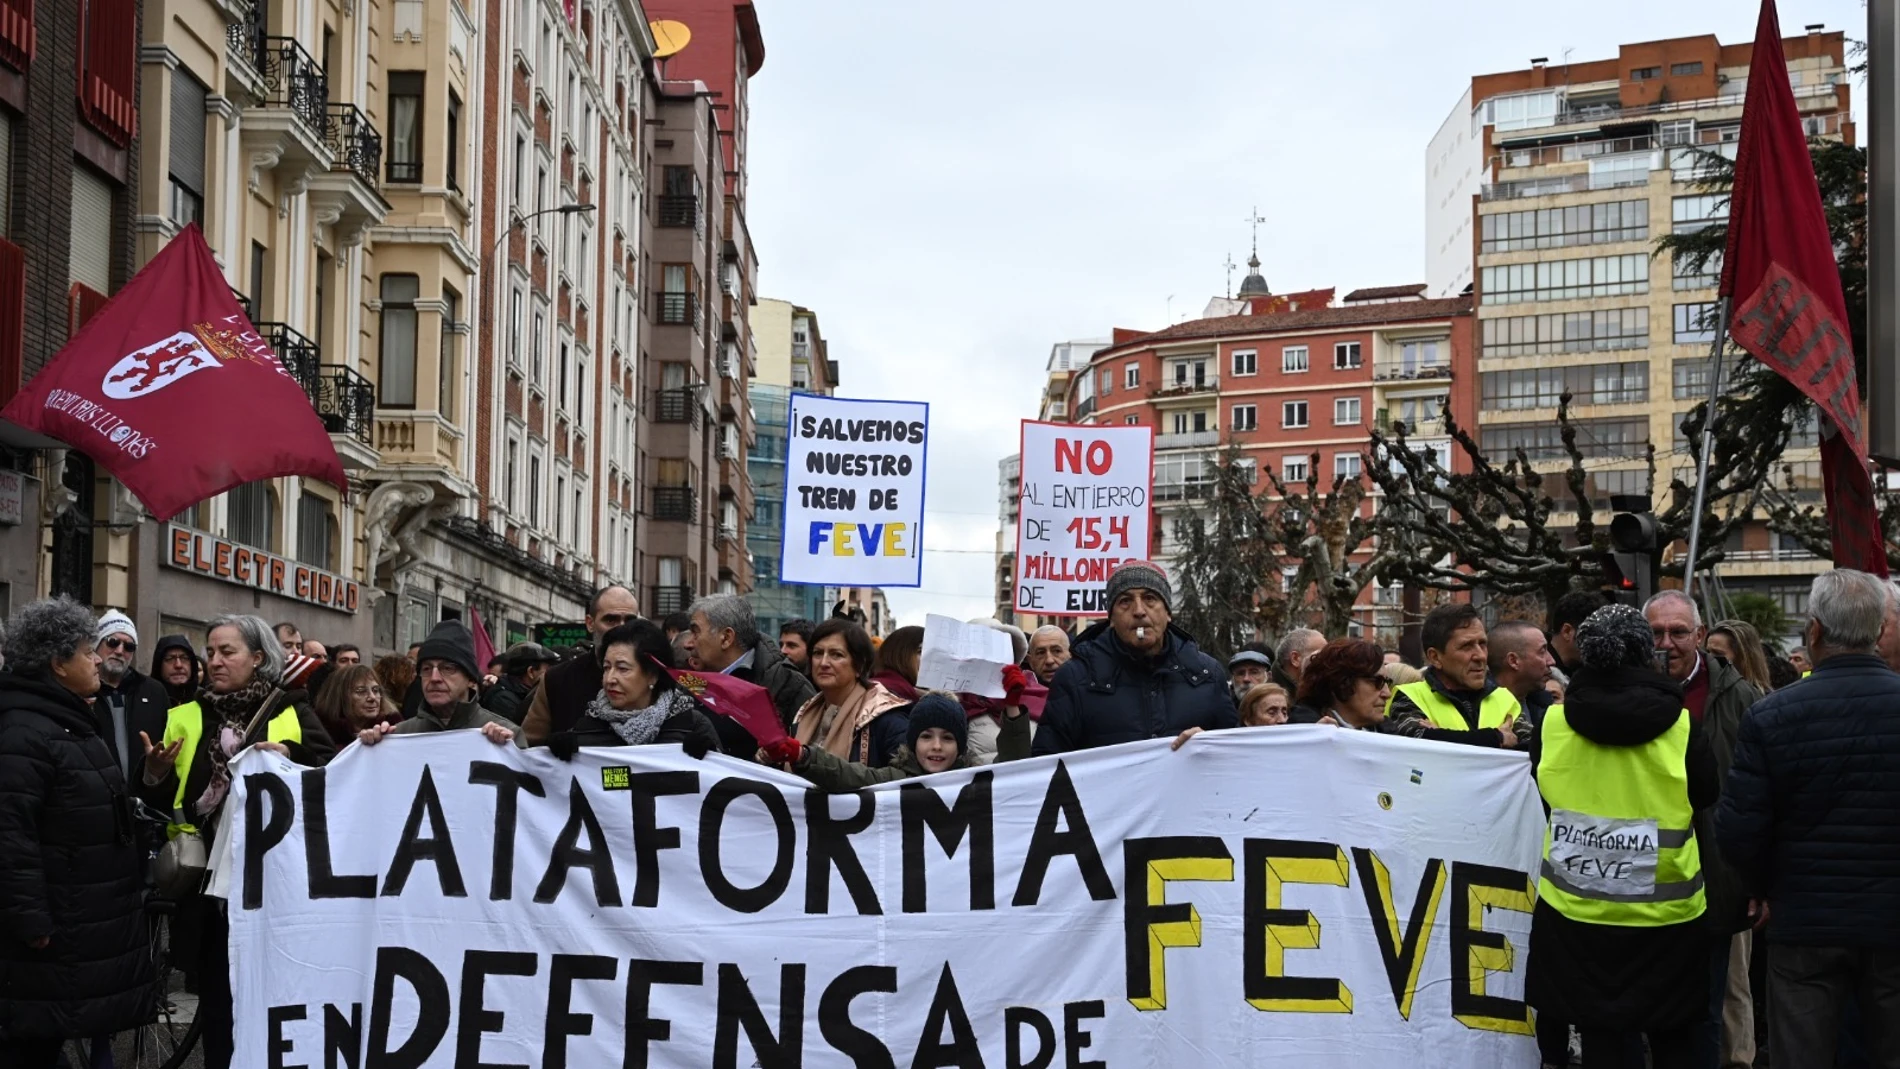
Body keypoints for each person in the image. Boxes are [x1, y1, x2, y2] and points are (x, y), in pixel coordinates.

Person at [1717, 570, 1900, 1069]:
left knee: (1801, 1052)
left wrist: (1758, 886)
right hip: (1892, 920)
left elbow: (1740, 825)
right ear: (1879, 629)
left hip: (1805, 921)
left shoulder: (1773, 715)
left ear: (1814, 630)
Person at [139, 613, 334, 1069]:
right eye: (211, 652)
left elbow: (330, 773)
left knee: (270, 997)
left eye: (228, 652)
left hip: (273, 889)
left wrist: (294, 755)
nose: (215, 661)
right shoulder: (185, 715)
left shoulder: (292, 711)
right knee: (217, 1003)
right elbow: (155, 796)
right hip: (206, 890)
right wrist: (154, 773)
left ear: (259, 658)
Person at [1527, 603, 1717, 1069]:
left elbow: (1544, 790)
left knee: (1601, 1040)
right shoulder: (1681, 726)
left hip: (1577, 912)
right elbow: (1707, 793)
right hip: (1667, 915)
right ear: (1645, 652)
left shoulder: (1552, 724)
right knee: (1675, 1038)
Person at [0, 598, 157, 1068]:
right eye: (88, 650)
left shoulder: (67, 721)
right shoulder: (25, 731)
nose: (97, 659)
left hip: (79, 921)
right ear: (57, 663)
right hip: (50, 933)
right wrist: (31, 920)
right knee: (31, 1046)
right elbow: (10, 832)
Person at [1644, 589, 1762, 1069]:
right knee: (1653, 1007)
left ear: (1698, 634)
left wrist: (1755, 876)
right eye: (1656, 633)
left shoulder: (1740, 697)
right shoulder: (1631, 692)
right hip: (1645, 878)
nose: (1667, 643)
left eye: (1677, 632)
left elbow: (1755, 793)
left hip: (1716, 874)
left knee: (1712, 1006)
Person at [1033, 561, 1235, 755]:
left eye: (1150, 599)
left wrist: (1209, 744)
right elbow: (1047, 763)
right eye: (1125, 601)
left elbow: (1237, 755)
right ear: (1111, 618)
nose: (1139, 611)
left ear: (1168, 613)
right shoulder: (1075, 678)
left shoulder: (1207, 674)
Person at [544, 620, 721, 757]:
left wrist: (709, 757)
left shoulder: (691, 725)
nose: (610, 679)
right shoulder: (586, 727)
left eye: (622, 669)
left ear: (653, 674)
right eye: (606, 667)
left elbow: (724, 786)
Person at [681, 594, 818, 752]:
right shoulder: (689, 681)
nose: (687, 643)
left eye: (695, 632)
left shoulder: (788, 684)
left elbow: (807, 758)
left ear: (726, 638)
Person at [358, 620, 523, 749]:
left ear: (471, 679)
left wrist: (509, 750)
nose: (434, 678)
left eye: (448, 668)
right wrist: (370, 748)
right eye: (427, 668)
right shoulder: (400, 736)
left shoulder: (506, 736)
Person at [768, 693, 987, 789]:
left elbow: (1016, 778)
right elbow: (849, 776)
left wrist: (1014, 714)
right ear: (912, 742)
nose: (936, 746)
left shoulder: (977, 783)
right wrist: (804, 756)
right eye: (926, 736)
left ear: (960, 746)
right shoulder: (893, 780)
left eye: (947, 738)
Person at [1386, 603, 1531, 749]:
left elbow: (1535, 751)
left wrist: (1441, 737)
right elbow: (1416, 742)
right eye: (1466, 646)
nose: (1480, 656)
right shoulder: (1408, 698)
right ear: (1435, 657)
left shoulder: (1505, 699)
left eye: (1482, 644)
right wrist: (1496, 738)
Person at [520, 584, 641, 745]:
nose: (621, 628)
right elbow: (528, 746)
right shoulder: (557, 680)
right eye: (611, 620)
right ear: (590, 623)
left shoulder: (657, 679)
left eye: (629, 620)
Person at [787, 619, 909, 767]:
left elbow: (903, 778)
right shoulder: (805, 712)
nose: (824, 663)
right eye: (818, 653)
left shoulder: (886, 716)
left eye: (836, 655)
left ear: (860, 665)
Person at [91, 609, 171, 785]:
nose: (120, 651)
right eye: (113, 642)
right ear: (96, 645)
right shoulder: (82, 690)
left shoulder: (154, 692)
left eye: (129, 646)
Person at [1300, 639, 1392, 730]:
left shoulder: (1390, 735)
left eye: (1386, 682)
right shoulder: (1301, 732)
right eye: (1376, 681)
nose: (1387, 694)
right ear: (1342, 682)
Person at [1489, 619, 1556, 726]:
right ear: (1513, 661)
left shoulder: (1543, 708)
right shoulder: (1477, 712)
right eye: (1542, 652)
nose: (1552, 661)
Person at [311, 663, 399, 745]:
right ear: (341, 696)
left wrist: (389, 737)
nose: (372, 697)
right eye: (361, 691)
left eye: (376, 690)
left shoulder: (393, 725)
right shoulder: (320, 732)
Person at [481, 642, 559, 723]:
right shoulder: (503, 700)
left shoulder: (524, 694)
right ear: (531, 672)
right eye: (548, 669)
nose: (551, 674)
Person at [1549, 590, 1607, 678]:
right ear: (1567, 631)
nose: (1599, 643)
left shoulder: (1585, 671)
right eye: (1593, 635)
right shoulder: (1538, 675)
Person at [1271, 628, 1326, 720]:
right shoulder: (1268, 699)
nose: (1328, 661)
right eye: (1322, 655)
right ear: (1295, 658)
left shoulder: (1321, 694)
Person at [1707, 620, 1773, 695]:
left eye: (1718, 653)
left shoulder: (1764, 700)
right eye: (1707, 652)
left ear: (1743, 657)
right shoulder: (1704, 692)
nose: (1709, 658)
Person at [869, 625, 925, 703]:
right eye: (920, 651)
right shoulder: (885, 692)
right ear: (900, 655)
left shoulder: (915, 694)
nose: (928, 659)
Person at [152, 633, 203, 707]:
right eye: (170, 659)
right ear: (159, 665)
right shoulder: (145, 698)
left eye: (184, 658)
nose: (178, 665)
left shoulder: (204, 700)